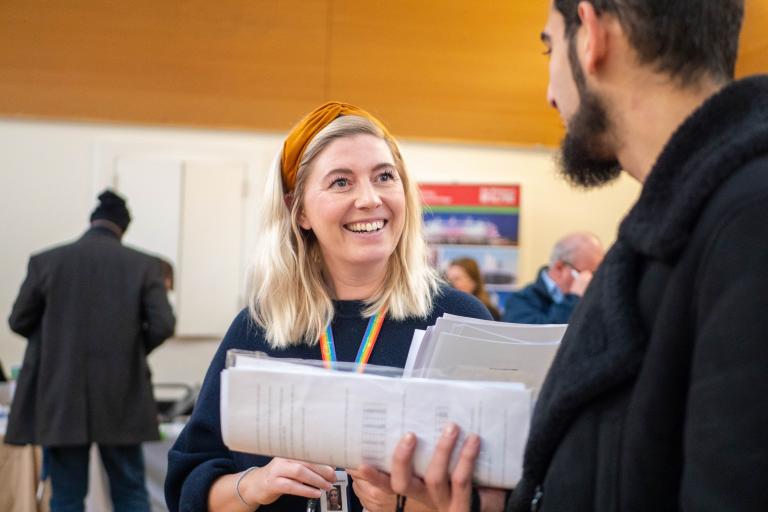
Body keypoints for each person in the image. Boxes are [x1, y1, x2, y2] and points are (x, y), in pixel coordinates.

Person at [381, 0, 768, 510]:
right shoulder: (678, 238)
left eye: (548, 47)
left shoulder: (746, 225)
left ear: (590, 36)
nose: (548, 94)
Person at [163, 102, 493, 512]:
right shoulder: (262, 326)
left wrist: (412, 505)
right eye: (341, 182)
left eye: (384, 177)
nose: (369, 199)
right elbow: (188, 488)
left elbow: (507, 492)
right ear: (299, 210)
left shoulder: (461, 321)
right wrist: (257, 483)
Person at [6, 189, 176, 512]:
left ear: (91, 222)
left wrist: (56, 341)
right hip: (122, 395)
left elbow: (18, 321)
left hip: (62, 394)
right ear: (122, 228)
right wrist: (132, 349)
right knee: (129, 492)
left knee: (67, 496)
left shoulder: (46, 262)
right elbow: (163, 324)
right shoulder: (144, 266)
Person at [501, 232, 603, 324]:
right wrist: (574, 298)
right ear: (559, 268)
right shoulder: (520, 302)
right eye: (587, 275)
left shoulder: (593, 300)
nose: (590, 281)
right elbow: (547, 339)